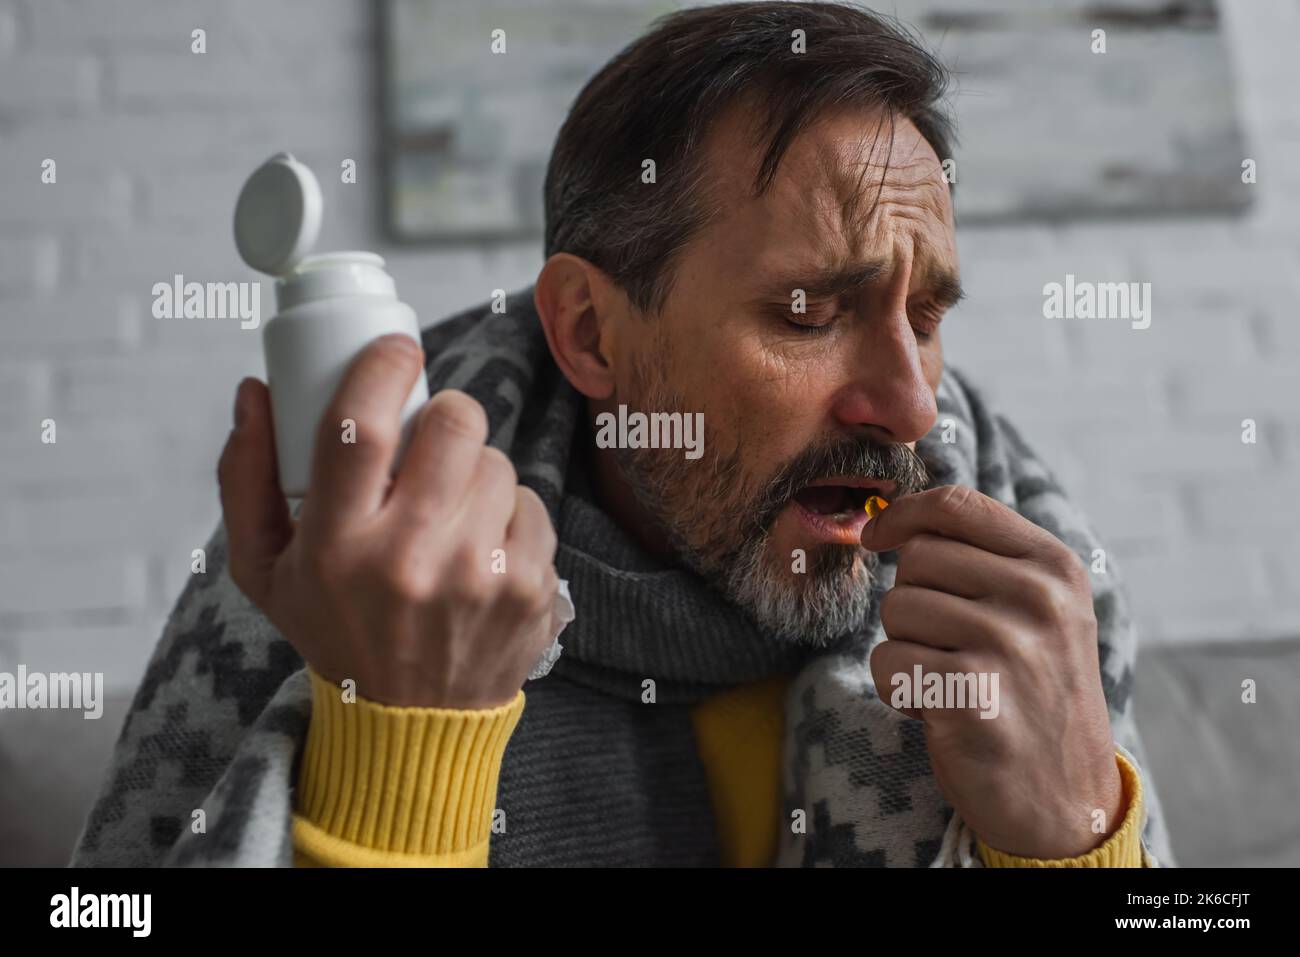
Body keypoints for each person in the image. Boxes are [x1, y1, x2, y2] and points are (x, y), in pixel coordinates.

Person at [74, 1, 1173, 868]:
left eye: (923, 318)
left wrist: (1073, 839)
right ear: (592, 334)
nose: (910, 405)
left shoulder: (1025, 586)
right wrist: (398, 740)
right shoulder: (361, 594)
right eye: (806, 313)